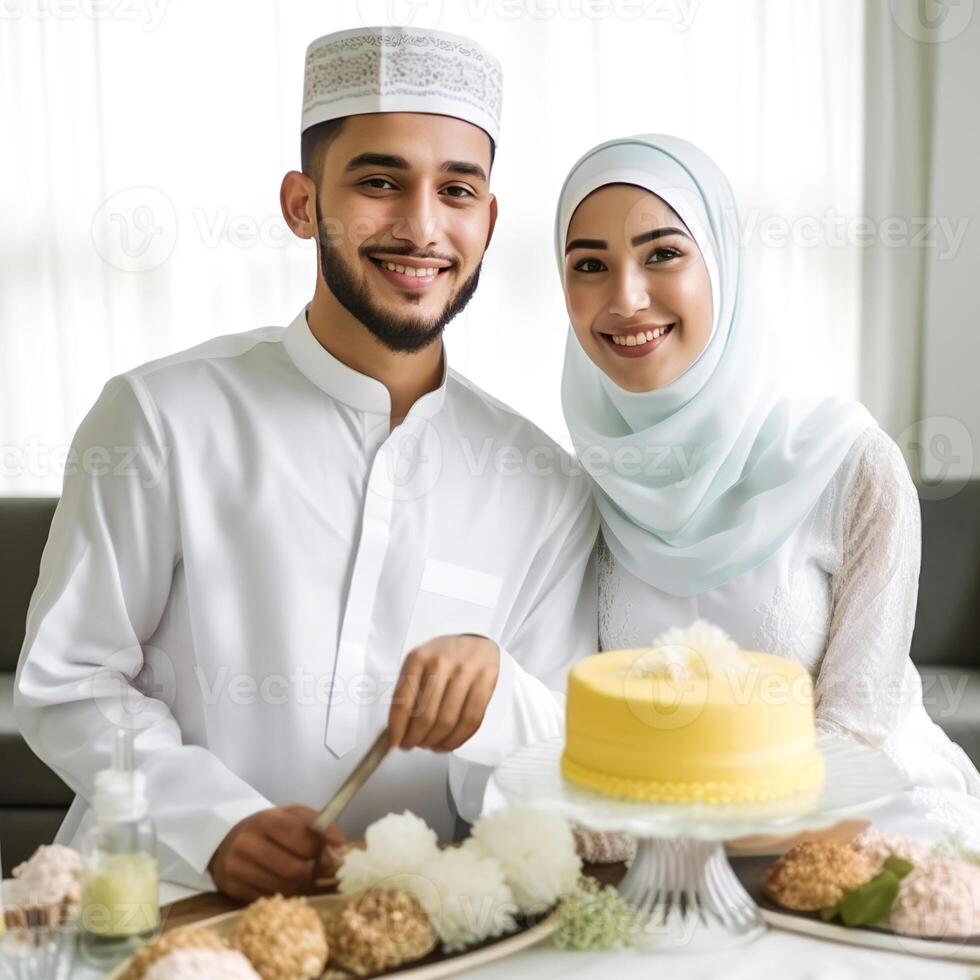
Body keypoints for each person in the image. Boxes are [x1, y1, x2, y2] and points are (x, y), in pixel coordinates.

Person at [14, 26, 598, 903]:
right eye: (378, 181)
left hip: (410, 932)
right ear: (300, 203)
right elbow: (67, 682)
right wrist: (214, 828)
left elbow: (541, 783)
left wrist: (497, 699)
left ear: (488, 220)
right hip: (160, 906)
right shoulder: (159, 416)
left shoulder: (545, 484)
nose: (421, 226)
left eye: (457, 190)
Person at [556, 133, 980, 847]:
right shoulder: (573, 485)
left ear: (722, 263)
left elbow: (855, 742)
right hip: (663, 862)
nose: (626, 299)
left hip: (871, 836)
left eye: (663, 253)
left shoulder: (852, 468)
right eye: (590, 265)